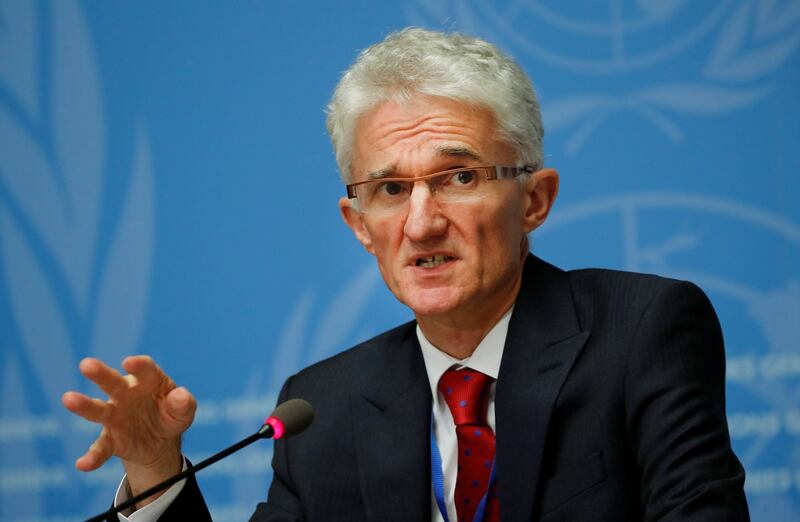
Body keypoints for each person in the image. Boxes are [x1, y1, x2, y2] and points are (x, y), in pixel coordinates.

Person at [63, 28, 749, 521]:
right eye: (390, 190)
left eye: (458, 177)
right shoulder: (321, 408)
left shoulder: (639, 331)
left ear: (534, 200)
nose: (421, 223)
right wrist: (154, 472)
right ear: (359, 224)